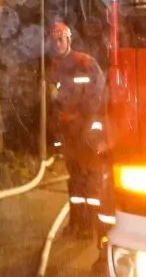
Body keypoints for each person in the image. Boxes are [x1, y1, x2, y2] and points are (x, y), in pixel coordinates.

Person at [45, 22, 107, 236]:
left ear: (68, 40)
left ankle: (91, 227)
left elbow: (98, 89)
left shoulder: (84, 62)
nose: (57, 43)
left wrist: (86, 118)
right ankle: (76, 224)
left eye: (61, 39)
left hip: (85, 130)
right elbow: (55, 102)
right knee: (75, 179)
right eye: (54, 40)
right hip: (69, 131)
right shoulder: (54, 67)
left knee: (91, 178)